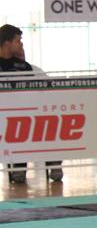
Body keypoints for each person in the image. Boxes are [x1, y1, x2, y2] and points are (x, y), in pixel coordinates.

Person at [0, 24, 63, 184]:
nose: (21, 45)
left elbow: (44, 82)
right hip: (3, 116)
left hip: (22, 114)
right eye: (18, 41)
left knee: (48, 122)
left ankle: (53, 162)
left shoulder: (23, 66)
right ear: (7, 43)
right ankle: (18, 165)